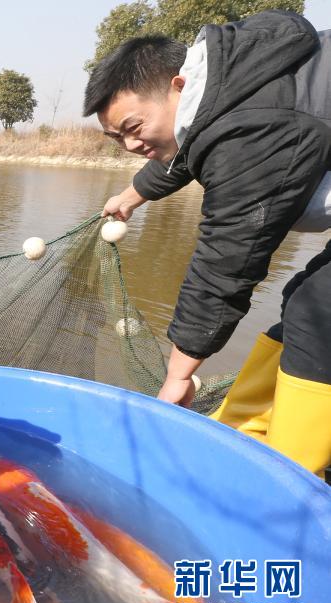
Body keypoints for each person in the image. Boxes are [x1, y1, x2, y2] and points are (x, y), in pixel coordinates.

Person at [84, 10, 331, 474]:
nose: (130, 145)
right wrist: (132, 196)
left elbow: (227, 262)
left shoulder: (252, 129)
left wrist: (179, 374)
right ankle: (241, 433)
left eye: (133, 129)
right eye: (116, 138)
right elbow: (185, 149)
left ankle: (290, 482)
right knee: (302, 301)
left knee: (321, 313)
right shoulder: (231, 78)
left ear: (179, 85)